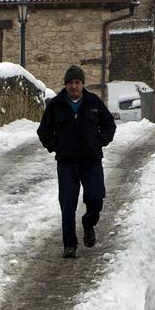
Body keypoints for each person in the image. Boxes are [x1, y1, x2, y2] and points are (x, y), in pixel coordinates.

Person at [37, 64, 116, 258]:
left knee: (96, 198)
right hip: (67, 163)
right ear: (65, 84)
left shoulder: (93, 102)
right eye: (71, 83)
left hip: (91, 160)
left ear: (82, 84)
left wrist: (98, 141)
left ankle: (88, 224)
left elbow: (109, 125)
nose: (74, 86)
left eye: (77, 82)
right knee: (67, 203)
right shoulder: (56, 105)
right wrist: (56, 146)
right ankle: (69, 244)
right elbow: (43, 131)